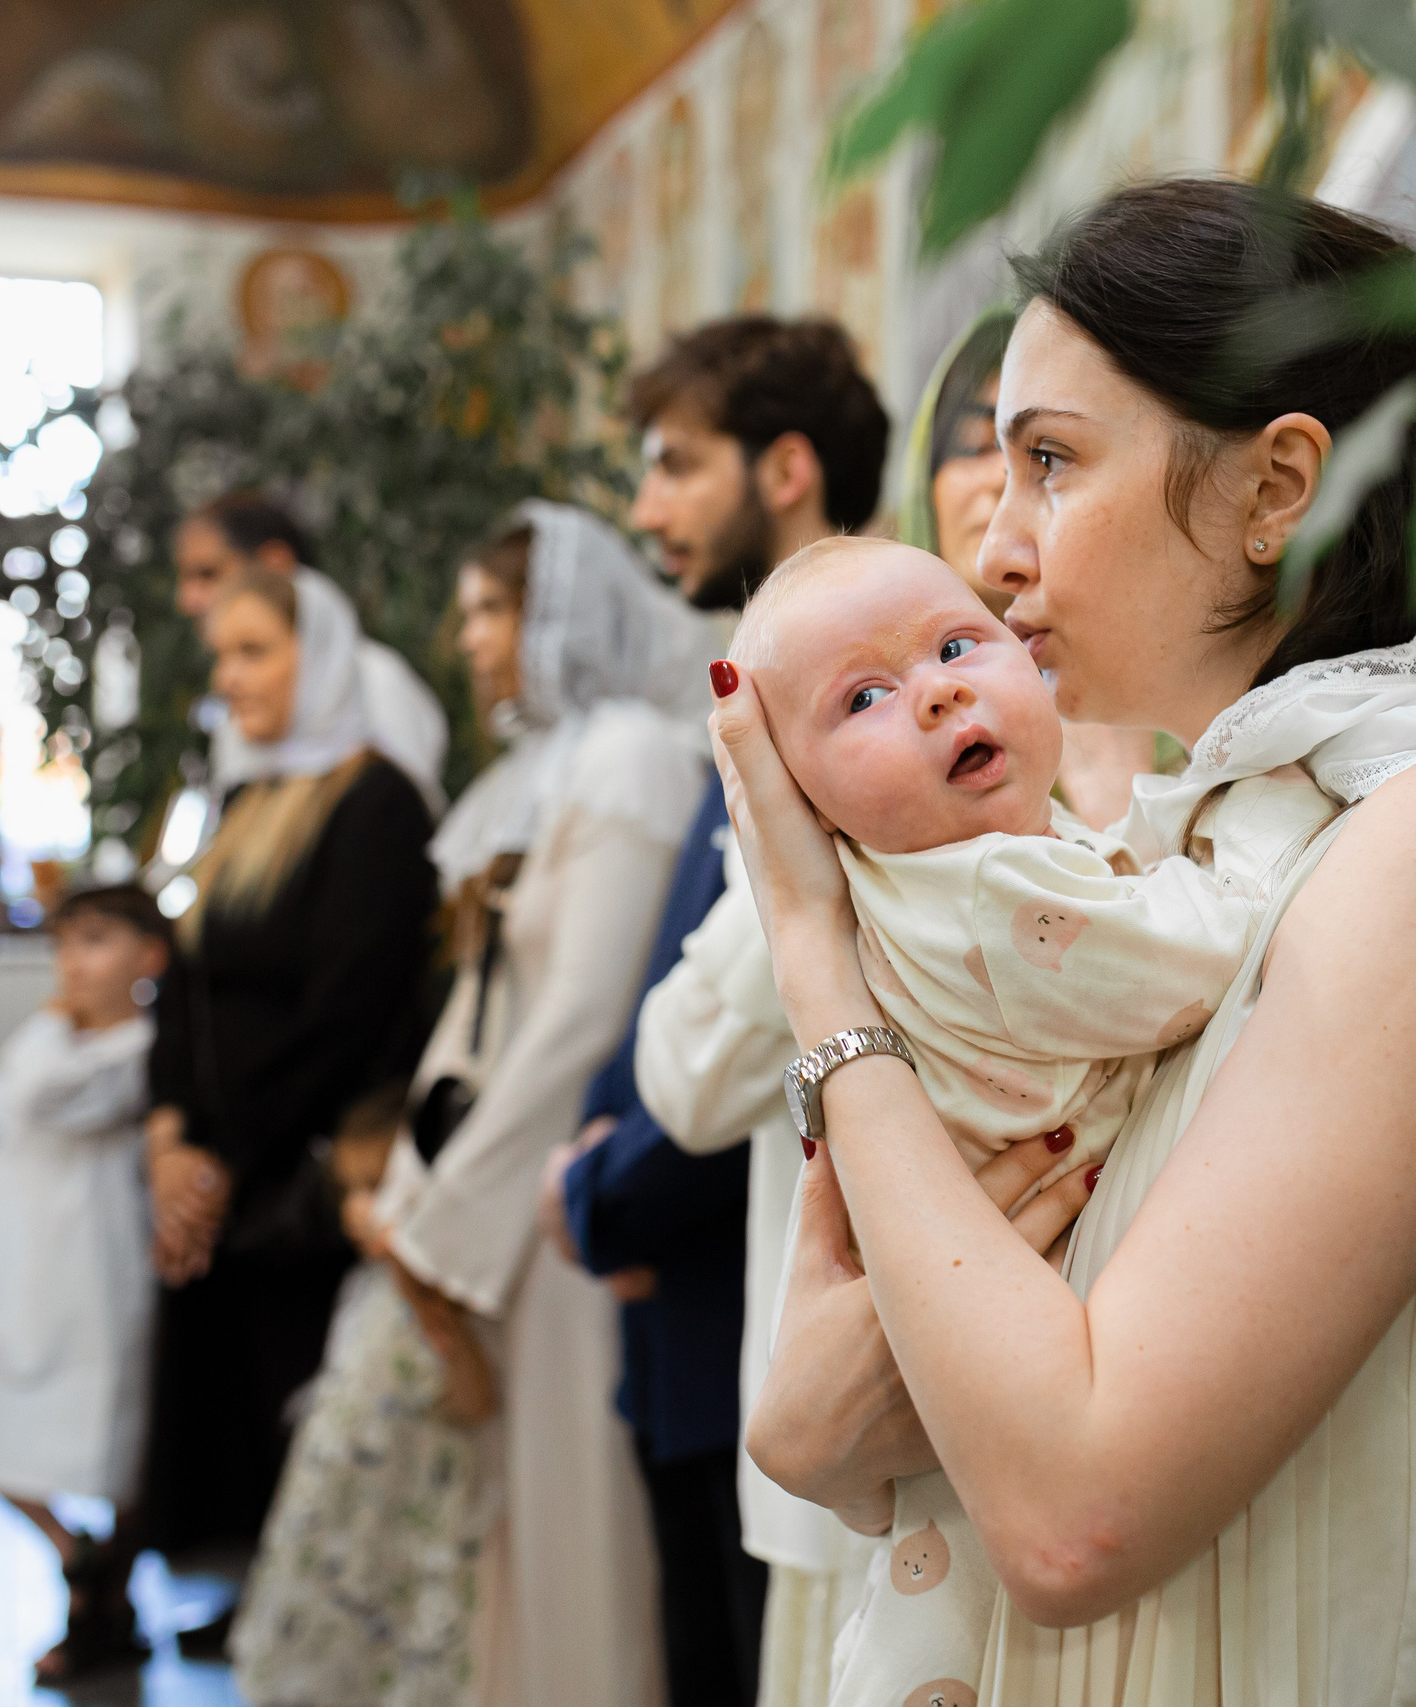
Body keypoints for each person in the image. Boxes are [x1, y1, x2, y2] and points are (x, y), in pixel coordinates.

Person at [717, 178, 1416, 1707]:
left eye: (1050, 462)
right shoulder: (1200, 840)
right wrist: (819, 1404)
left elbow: (1074, 1513)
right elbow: (816, 1429)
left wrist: (814, 955)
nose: (997, 554)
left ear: (1277, 491)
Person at [723, 537, 1264, 1704]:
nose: (936, 690)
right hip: (999, 1349)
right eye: (862, 699)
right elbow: (1201, 956)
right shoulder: (976, 897)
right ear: (798, 797)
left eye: (958, 644)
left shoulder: (968, 869)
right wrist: (1256, 838)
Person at [225, 503, 708, 1707]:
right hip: (486, 1180)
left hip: (550, 1196)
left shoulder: (633, 757)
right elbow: (478, 1008)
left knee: (569, 1508)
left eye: (493, 608)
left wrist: (458, 1218)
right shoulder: (531, 773)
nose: (470, 635)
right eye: (470, 610)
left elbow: (582, 1019)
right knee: (497, 1516)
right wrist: (404, 1190)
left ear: (564, 614)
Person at [550, 315, 887, 1707]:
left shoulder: (850, 692)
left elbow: (758, 1022)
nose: (647, 509)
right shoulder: (750, 676)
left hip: (736, 1285)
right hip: (683, 1302)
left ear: (788, 465)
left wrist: (603, 1196)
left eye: (676, 465)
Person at [139, 565, 437, 1622]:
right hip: (221, 1156)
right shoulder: (245, 792)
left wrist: (223, 1160)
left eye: (255, 650)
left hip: (300, 1172)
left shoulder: (376, 803)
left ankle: (293, 1618)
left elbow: (347, 1012)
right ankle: (259, 1609)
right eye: (223, 656)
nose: (230, 678)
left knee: (289, 1410)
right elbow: (181, 976)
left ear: (324, 657)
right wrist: (168, 1134)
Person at [0, 883, 171, 1682]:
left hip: (92, 1261)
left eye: (95, 942)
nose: (72, 963)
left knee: (111, 1429)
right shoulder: (68, 1045)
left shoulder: (135, 1050)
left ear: (150, 958)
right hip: (14, 1261)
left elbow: (39, 1093)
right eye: (65, 944)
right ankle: (74, 1552)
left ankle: (101, 1597)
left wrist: (44, 1021)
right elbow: (12, 1102)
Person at [901, 307, 1156, 833]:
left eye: (1046, 457)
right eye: (973, 445)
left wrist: (1122, 812)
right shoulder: (878, 712)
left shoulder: (1164, 707)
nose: (1000, 480)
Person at [172, 491, 451, 816]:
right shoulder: (243, 715)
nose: (187, 600)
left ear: (275, 565)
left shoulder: (375, 683)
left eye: (208, 574)